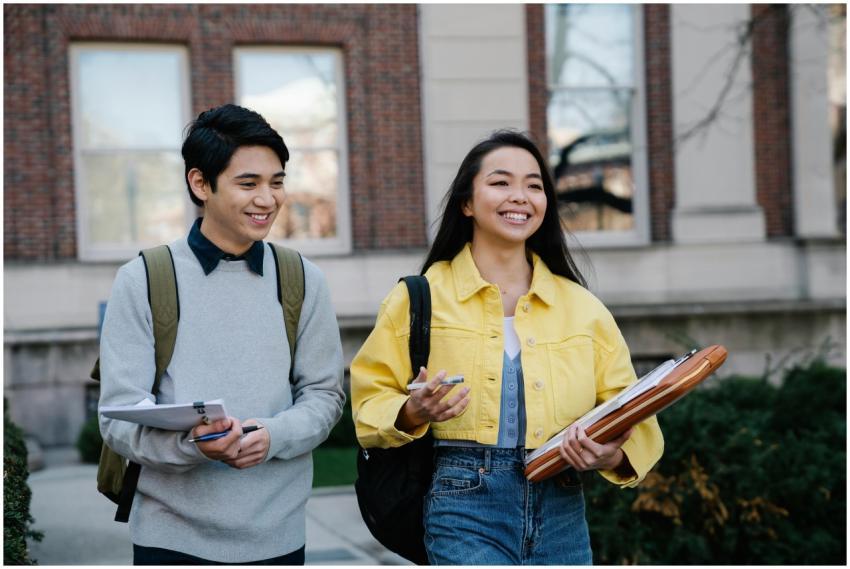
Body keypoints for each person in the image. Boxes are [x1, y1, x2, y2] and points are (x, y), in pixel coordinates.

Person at [350, 130, 663, 565]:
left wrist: (611, 454)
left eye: (534, 186)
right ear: (467, 202)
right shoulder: (418, 298)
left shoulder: (583, 308)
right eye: (500, 183)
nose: (520, 196)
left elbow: (637, 416)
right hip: (462, 506)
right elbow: (369, 402)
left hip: (563, 508)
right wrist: (412, 411)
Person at [98, 104, 345, 565]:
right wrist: (194, 444)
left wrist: (271, 435)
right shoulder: (144, 278)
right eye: (248, 184)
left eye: (277, 182)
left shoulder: (302, 278)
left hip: (279, 538)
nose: (268, 199)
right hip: (170, 539)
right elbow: (118, 419)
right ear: (199, 183)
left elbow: (324, 396)